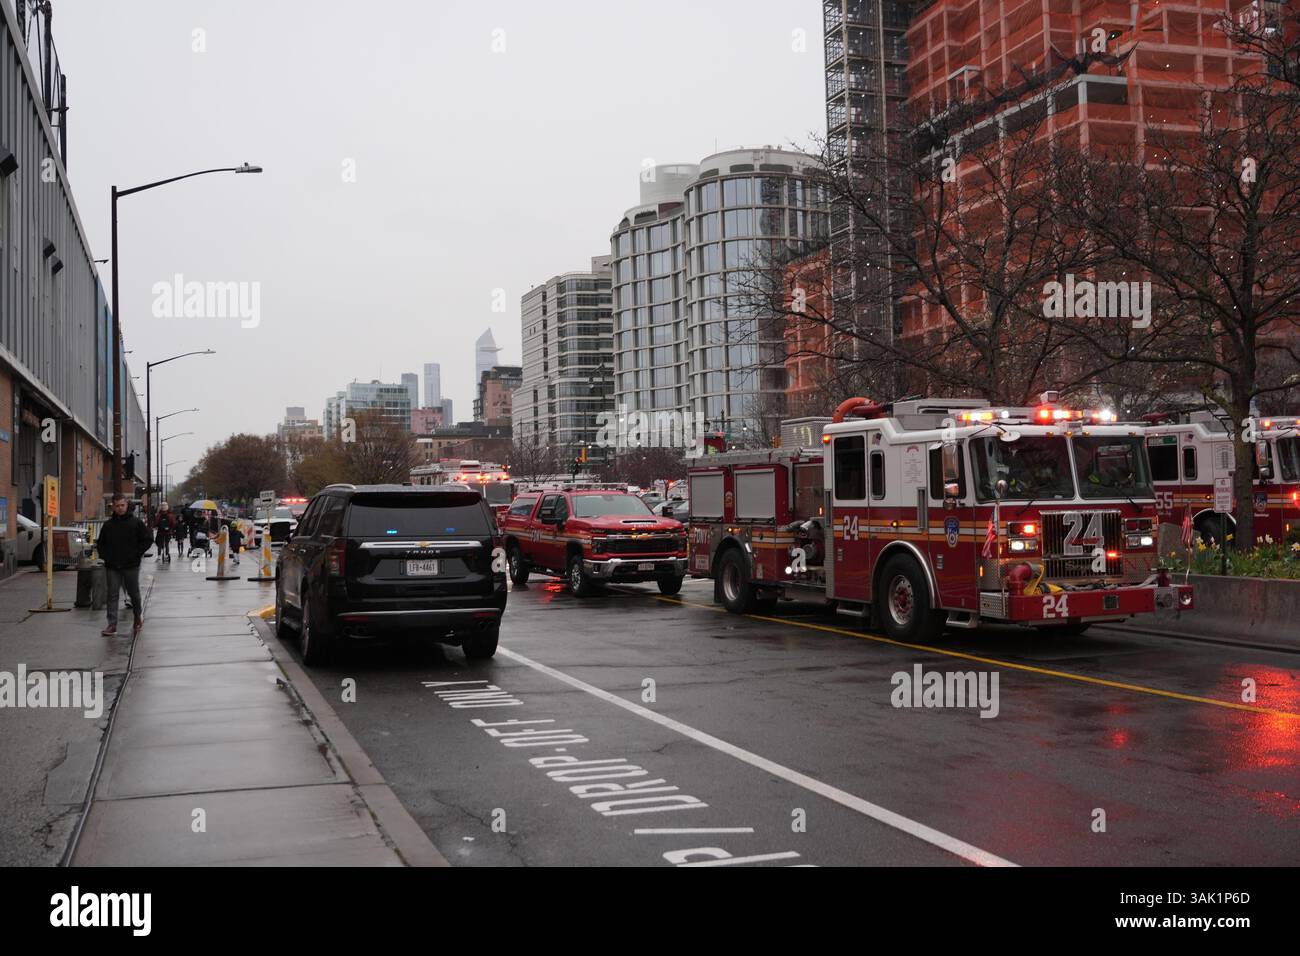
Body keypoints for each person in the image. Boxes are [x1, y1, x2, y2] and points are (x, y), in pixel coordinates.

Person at [98, 492, 153, 636]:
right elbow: (101, 543)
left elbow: (147, 539)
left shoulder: (136, 523)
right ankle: (112, 624)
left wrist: (136, 553)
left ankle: (137, 617)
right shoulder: (108, 525)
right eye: (117, 506)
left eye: (122, 505)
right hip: (112, 566)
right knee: (113, 594)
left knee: (134, 594)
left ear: (127, 505)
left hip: (131, 565)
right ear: (113, 507)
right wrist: (106, 557)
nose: (120, 508)